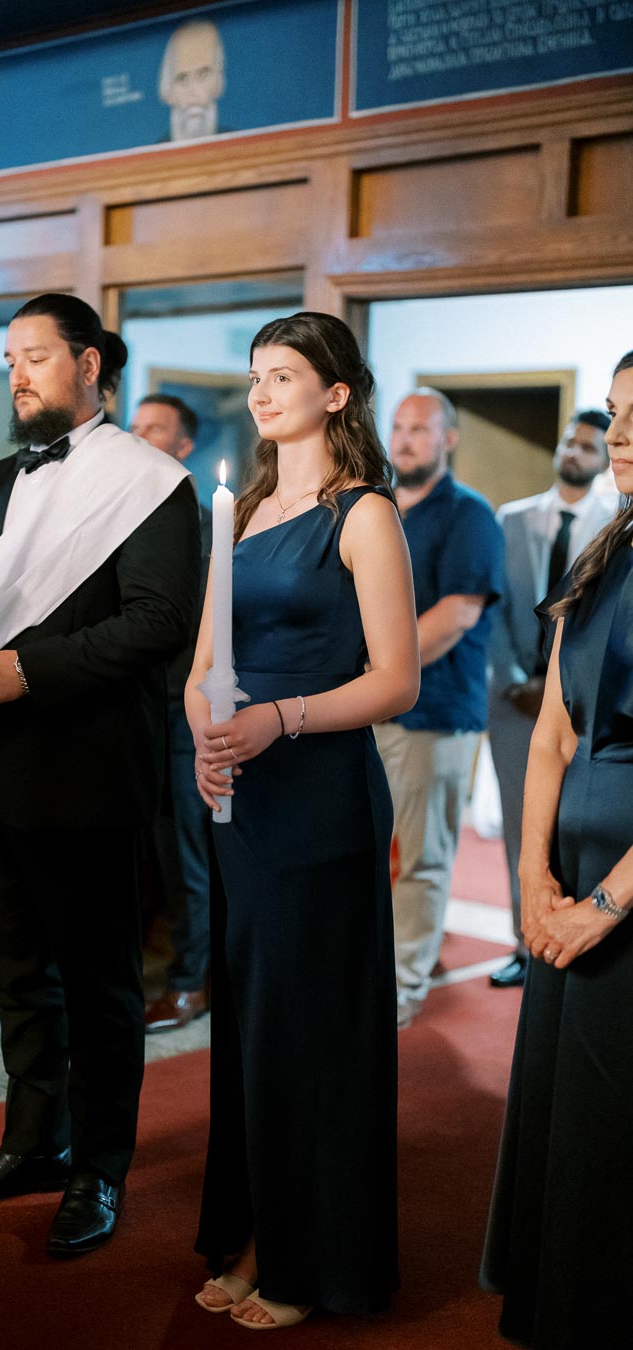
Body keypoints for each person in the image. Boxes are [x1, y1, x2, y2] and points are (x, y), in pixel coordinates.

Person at [0, 294, 201, 1256]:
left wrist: (22, 672)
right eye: (9, 361)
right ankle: (34, 1142)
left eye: (34, 357)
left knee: (98, 985)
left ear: (89, 364)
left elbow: (157, 623)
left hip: (87, 769)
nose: (17, 376)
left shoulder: (152, 481)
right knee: (16, 976)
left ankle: (100, 1169)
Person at [187, 311, 419, 1329]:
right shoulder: (238, 512)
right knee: (251, 1022)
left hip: (320, 794)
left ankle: (310, 1259)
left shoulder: (362, 514)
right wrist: (204, 733)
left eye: (283, 375)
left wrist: (279, 718)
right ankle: (251, 1232)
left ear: (335, 393)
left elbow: (397, 680)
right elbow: (202, 665)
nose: (262, 392)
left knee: (310, 1028)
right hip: (242, 799)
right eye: (255, 376)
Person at [481, 352, 633, 1350]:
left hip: (623, 890)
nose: (618, 435)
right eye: (615, 413)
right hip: (568, 875)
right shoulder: (607, 551)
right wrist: (533, 878)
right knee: (565, 1112)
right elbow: (552, 732)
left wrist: (605, 905)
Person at [375, 389, 503, 1028]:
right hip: (367, 708)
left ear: (449, 439)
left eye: (420, 429)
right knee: (370, 852)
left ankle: (402, 988)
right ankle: (367, 970)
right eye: (398, 427)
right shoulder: (376, 508)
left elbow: (456, 615)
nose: (404, 439)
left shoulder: (469, 515)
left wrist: (372, 674)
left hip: (435, 712)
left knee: (422, 859)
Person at [488, 410, 613, 989]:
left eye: (588, 445)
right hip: (515, 696)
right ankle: (525, 939)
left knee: (580, 822)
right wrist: (518, 677)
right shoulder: (512, 518)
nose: (576, 450)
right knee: (523, 823)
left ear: (601, 460)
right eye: (570, 440)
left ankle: (579, 931)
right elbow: (494, 609)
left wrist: (562, 687)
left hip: (585, 703)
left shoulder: (614, 524)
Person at [129, 395, 212, 1032]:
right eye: (133, 427)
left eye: (154, 429)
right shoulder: (115, 512)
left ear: (184, 446)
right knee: (137, 848)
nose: (138, 437)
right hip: (126, 705)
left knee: (186, 852)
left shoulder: (206, 523)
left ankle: (193, 979)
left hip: (184, 704)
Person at [158, 18, 227, 141]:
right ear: (169, 92)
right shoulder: (156, 151)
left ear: (218, 83)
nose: (193, 91)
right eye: (183, 79)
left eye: (203, 75)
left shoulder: (242, 145)